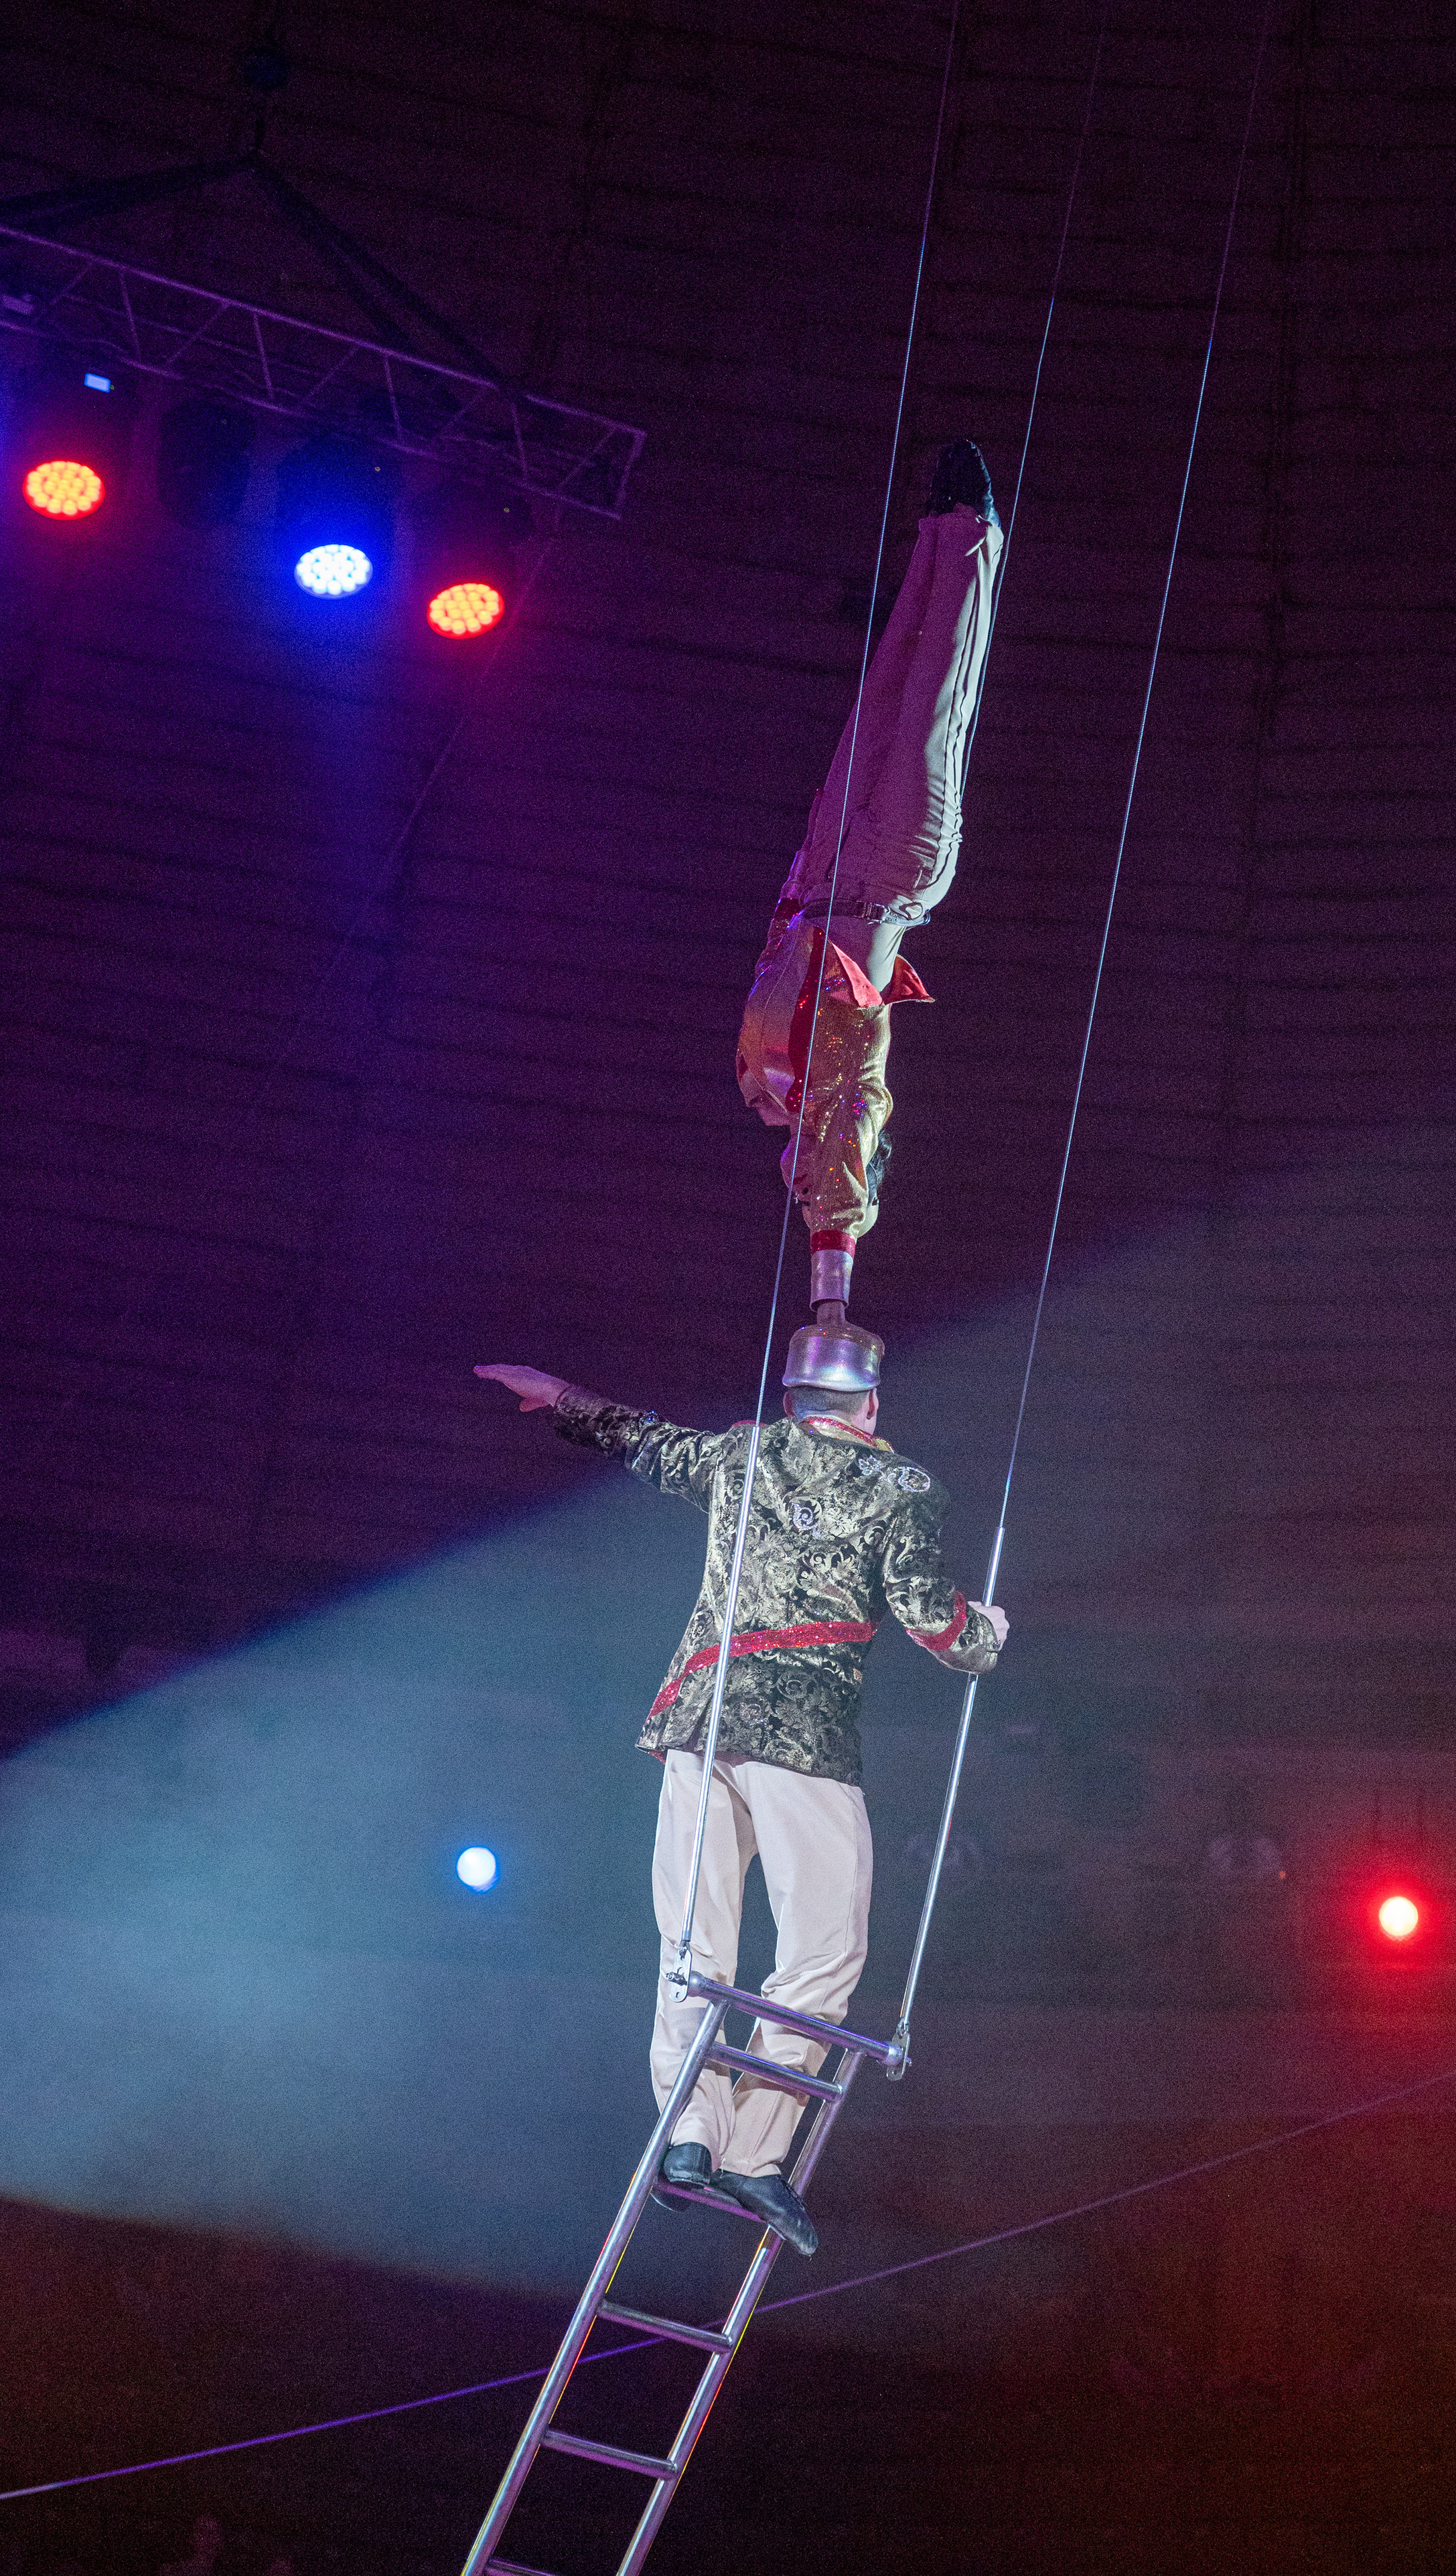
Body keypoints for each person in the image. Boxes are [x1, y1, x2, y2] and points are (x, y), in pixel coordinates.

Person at [476, 1319, 1007, 2256]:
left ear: (795, 1400)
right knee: (824, 1951)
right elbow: (936, 1624)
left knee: (693, 1941)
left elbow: (638, 1438)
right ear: (872, 1405)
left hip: (700, 1724)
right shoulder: (903, 1486)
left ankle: (688, 2136)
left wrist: (557, 1396)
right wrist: (989, 1634)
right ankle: (757, 2152)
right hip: (803, 1738)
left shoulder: (740, 1455)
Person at [737, 439, 1003, 1322]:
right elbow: (841, 1183)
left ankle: (934, 528)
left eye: (799, 1177)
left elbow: (778, 939)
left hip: (825, 866)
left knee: (887, 684)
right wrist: (829, 1299)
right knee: (936, 699)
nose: (801, 1174)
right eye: (815, 1174)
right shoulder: (844, 1092)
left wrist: (811, 851)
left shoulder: (765, 1076)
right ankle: (973, 533)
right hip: (894, 877)